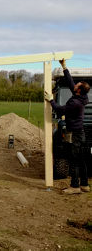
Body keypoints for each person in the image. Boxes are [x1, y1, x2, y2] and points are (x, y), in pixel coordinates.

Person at [45, 59, 90, 194]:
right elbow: (71, 82)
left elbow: (60, 110)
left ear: (79, 90)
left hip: (75, 134)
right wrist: (64, 67)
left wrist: (51, 100)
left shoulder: (75, 103)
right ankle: (85, 185)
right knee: (81, 159)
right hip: (79, 132)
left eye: (78, 85)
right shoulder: (82, 97)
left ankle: (75, 186)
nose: (75, 85)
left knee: (74, 160)